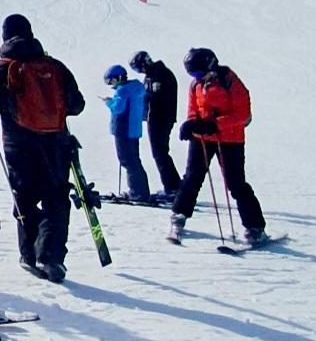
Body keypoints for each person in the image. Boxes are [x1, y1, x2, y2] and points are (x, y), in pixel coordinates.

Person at [0, 14, 84, 282]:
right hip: (56, 143)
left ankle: (28, 254)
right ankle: (51, 258)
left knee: (24, 197)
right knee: (55, 198)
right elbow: (77, 105)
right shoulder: (54, 65)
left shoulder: (1, 68)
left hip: (19, 145)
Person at [166, 47, 269, 245]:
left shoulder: (230, 81)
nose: (196, 77)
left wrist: (214, 124)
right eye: (192, 74)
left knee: (236, 183)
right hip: (203, 138)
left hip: (230, 139)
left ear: (210, 65)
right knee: (192, 178)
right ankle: (178, 216)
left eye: (198, 72)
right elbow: (193, 108)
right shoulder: (196, 84)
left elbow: (243, 115)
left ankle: (255, 227)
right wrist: (191, 123)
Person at [129, 50, 182, 198]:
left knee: (159, 152)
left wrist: (140, 101)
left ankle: (173, 186)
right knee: (160, 152)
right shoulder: (154, 74)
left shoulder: (159, 75)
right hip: (157, 118)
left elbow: (155, 98)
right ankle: (174, 185)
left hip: (160, 118)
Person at [102, 65, 152, 205]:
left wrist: (109, 102)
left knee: (127, 160)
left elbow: (118, 108)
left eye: (111, 82)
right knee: (134, 159)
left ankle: (137, 192)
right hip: (133, 129)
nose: (111, 85)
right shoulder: (136, 88)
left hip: (123, 129)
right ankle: (140, 190)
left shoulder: (123, 90)